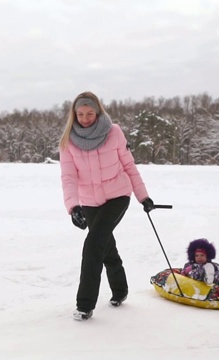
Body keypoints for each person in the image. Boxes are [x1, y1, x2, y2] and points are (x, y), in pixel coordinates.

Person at [59, 91, 155, 321]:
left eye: (90, 113)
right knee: (105, 245)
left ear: (98, 111)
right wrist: (73, 206)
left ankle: (84, 305)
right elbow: (68, 177)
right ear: (74, 114)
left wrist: (143, 197)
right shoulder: (68, 141)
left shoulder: (114, 133)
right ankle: (120, 290)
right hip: (89, 202)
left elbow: (129, 166)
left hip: (117, 195)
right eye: (80, 114)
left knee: (93, 244)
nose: (85, 118)